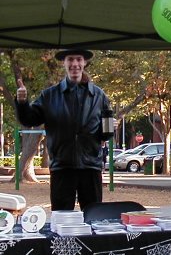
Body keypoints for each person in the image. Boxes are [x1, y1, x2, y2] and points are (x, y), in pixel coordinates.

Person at [15, 49, 112, 211]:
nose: (75, 64)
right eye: (70, 60)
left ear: (85, 63)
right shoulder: (49, 96)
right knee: (61, 216)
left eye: (79, 59)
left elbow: (104, 134)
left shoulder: (99, 96)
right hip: (62, 167)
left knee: (93, 218)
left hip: (90, 167)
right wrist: (22, 102)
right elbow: (29, 119)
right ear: (64, 63)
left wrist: (109, 128)